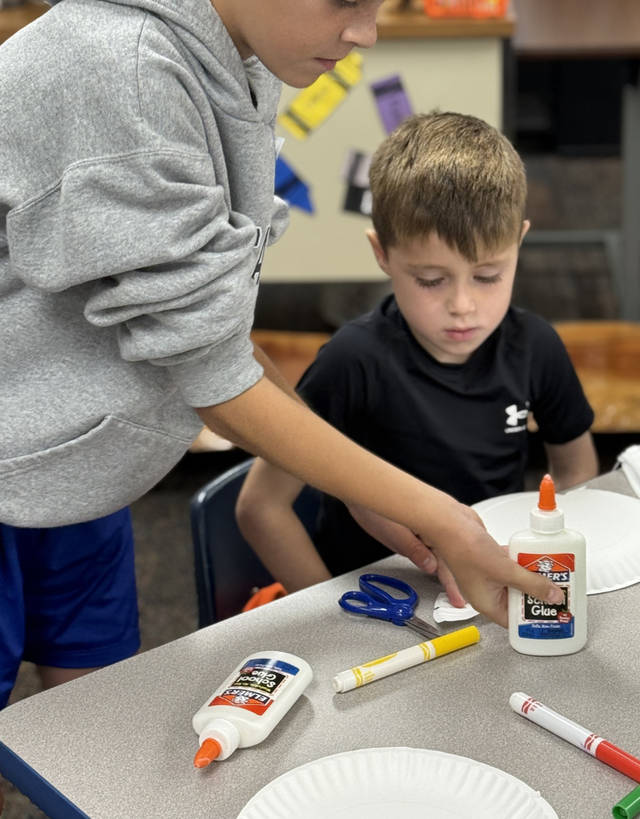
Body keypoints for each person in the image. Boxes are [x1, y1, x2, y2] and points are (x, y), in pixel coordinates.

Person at [0, 0, 564, 814]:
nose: (366, 32)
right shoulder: (122, 69)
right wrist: (432, 509)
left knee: (107, 752)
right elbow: (214, 374)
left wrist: (368, 489)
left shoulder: (226, 35)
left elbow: (197, 318)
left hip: (68, 472)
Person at [237, 112, 599, 587]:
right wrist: (328, 611)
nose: (463, 306)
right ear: (382, 253)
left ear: (520, 242)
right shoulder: (353, 362)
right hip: (372, 600)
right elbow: (260, 507)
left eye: (488, 276)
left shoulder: (537, 348)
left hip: (483, 589)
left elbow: (576, 470)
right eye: (430, 280)